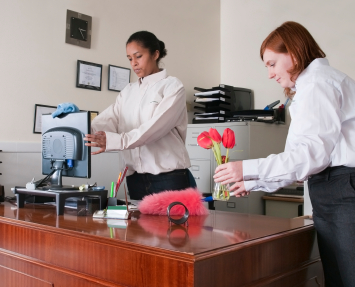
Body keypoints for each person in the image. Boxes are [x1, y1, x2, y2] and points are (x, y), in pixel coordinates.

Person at [213, 21, 355, 286]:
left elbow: (311, 155)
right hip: (332, 188)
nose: (269, 74)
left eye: (272, 63)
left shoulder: (317, 84)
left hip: (343, 190)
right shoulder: (313, 85)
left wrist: (248, 169)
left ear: (294, 52)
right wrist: (252, 181)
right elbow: (302, 162)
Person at [84, 31, 195, 200]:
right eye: (129, 58)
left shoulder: (172, 87)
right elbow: (108, 119)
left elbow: (154, 129)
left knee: (175, 227)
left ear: (155, 54)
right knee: (139, 227)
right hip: (135, 179)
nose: (134, 63)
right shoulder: (128, 91)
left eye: (138, 56)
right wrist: (79, 123)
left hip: (169, 178)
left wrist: (116, 141)